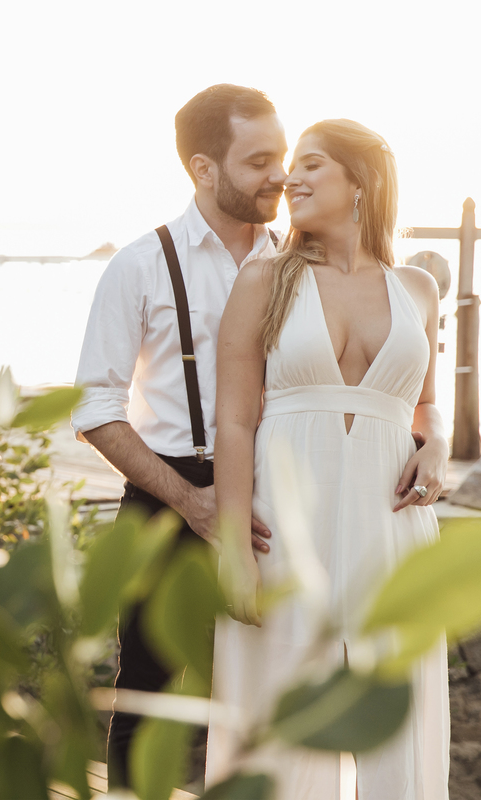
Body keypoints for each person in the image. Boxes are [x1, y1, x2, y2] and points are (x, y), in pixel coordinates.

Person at [208, 119, 449, 798]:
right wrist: (234, 544)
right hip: (287, 523)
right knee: (277, 724)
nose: (292, 178)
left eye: (312, 164)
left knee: (397, 716)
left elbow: (427, 405)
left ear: (360, 181)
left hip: (392, 526)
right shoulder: (265, 279)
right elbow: (234, 421)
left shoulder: (418, 289)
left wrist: (436, 445)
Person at [71, 84, 286, 783]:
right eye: (259, 161)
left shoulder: (298, 262)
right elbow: (96, 408)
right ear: (203, 168)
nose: (279, 174)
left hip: (274, 500)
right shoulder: (139, 264)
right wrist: (192, 502)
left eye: (282, 156)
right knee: (147, 698)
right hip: (169, 500)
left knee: (269, 696)